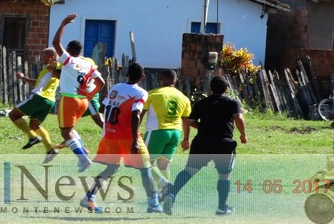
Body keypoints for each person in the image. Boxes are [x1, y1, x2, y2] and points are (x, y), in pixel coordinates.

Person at [81, 62, 162, 214]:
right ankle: (153, 204)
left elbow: (103, 108)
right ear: (143, 77)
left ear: (126, 74)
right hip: (127, 136)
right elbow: (135, 115)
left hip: (110, 135)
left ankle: (89, 197)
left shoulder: (116, 87)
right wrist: (135, 141)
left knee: (112, 167)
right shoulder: (141, 92)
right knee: (146, 169)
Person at [163, 76, 247, 216]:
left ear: (210, 88)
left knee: (188, 171)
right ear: (226, 89)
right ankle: (221, 207)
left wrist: (189, 136)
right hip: (223, 144)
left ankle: (171, 195)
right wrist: (243, 134)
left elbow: (189, 121)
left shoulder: (201, 104)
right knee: (224, 175)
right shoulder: (232, 102)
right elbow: (238, 117)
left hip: (202, 143)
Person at [52, 13, 105, 172]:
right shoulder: (87, 64)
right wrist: (90, 94)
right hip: (83, 101)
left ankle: (83, 159)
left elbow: (55, 42)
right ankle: (83, 151)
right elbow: (101, 83)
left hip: (69, 99)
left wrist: (63, 23)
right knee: (71, 129)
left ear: (68, 50)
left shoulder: (69, 60)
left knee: (66, 133)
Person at [142, 69, 191, 196]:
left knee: (144, 163)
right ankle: (164, 193)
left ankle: (163, 184)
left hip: (157, 131)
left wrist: (135, 131)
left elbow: (140, 113)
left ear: (161, 79)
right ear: (176, 81)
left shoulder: (153, 94)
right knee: (163, 166)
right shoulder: (183, 98)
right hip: (175, 133)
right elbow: (186, 120)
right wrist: (186, 139)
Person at [10, 47, 61, 163]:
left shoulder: (55, 66)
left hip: (39, 97)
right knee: (34, 125)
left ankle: (32, 137)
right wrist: (23, 78)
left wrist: (54, 64)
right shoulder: (47, 69)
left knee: (13, 115)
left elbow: (57, 73)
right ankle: (50, 150)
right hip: (49, 101)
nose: (41, 57)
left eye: (44, 55)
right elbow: (37, 83)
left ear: (52, 57)